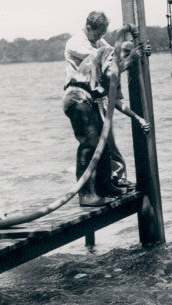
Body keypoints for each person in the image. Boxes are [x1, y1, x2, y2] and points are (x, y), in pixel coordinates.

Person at [62, 42, 150, 207]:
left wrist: (138, 118)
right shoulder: (107, 52)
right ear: (121, 51)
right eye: (125, 53)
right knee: (90, 145)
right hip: (76, 98)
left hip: (89, 101)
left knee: (105, 144)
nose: (125, 58)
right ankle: (86, 194)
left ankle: (106, 187)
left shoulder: (118, 70)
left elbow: (116, 102)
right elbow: (109, 72)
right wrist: (129, 60)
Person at [64, 11, 131, 190]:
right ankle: (87, 191)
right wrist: (127, 55)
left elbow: (112, 53)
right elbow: (104, 58)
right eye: (99, 33)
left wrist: (127, 48)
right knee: (90, 143)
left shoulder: (98, 40)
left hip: (94, 96)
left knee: (106, 140)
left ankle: (111, 180)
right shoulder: (75, 43)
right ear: (89, 27)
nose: (101, 37)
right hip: (79, 96)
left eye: (103, 33)